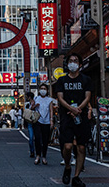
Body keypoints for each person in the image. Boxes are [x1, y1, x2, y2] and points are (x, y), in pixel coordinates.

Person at [56, 53, 92, 187]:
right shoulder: (62, 81)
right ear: (67, 64)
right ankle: (67, 166)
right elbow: (60, 98)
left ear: (80, 64)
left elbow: (87, 96)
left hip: (81, 116)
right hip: (66, 116)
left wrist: (78, 109)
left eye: (76, 61)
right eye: (71, 61)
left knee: (81, 147)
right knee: (67, 146)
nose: (73, 63)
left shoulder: (86, 79)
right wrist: (71, 109)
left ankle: (76, 177)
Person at [32, 83, 54, 166]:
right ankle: (38, 155)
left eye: (44, 89)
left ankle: (44, 156)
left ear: (47, 90)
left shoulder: (49, 100)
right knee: (37, 138)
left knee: (45, 140)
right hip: (38, 121)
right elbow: (31, 108)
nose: (43, 90)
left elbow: (51, 110)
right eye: (41, 88)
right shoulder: (36, 98)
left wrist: (51, 120)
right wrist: (34, 106)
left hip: (47, 121)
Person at [24, 92, 36, 158]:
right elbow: (27, 113)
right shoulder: (28, 104)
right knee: (31, 138)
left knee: (37, 138)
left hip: (36, 121)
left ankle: (38, 151)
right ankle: (32, 151)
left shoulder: (36, 102)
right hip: (30, 122)